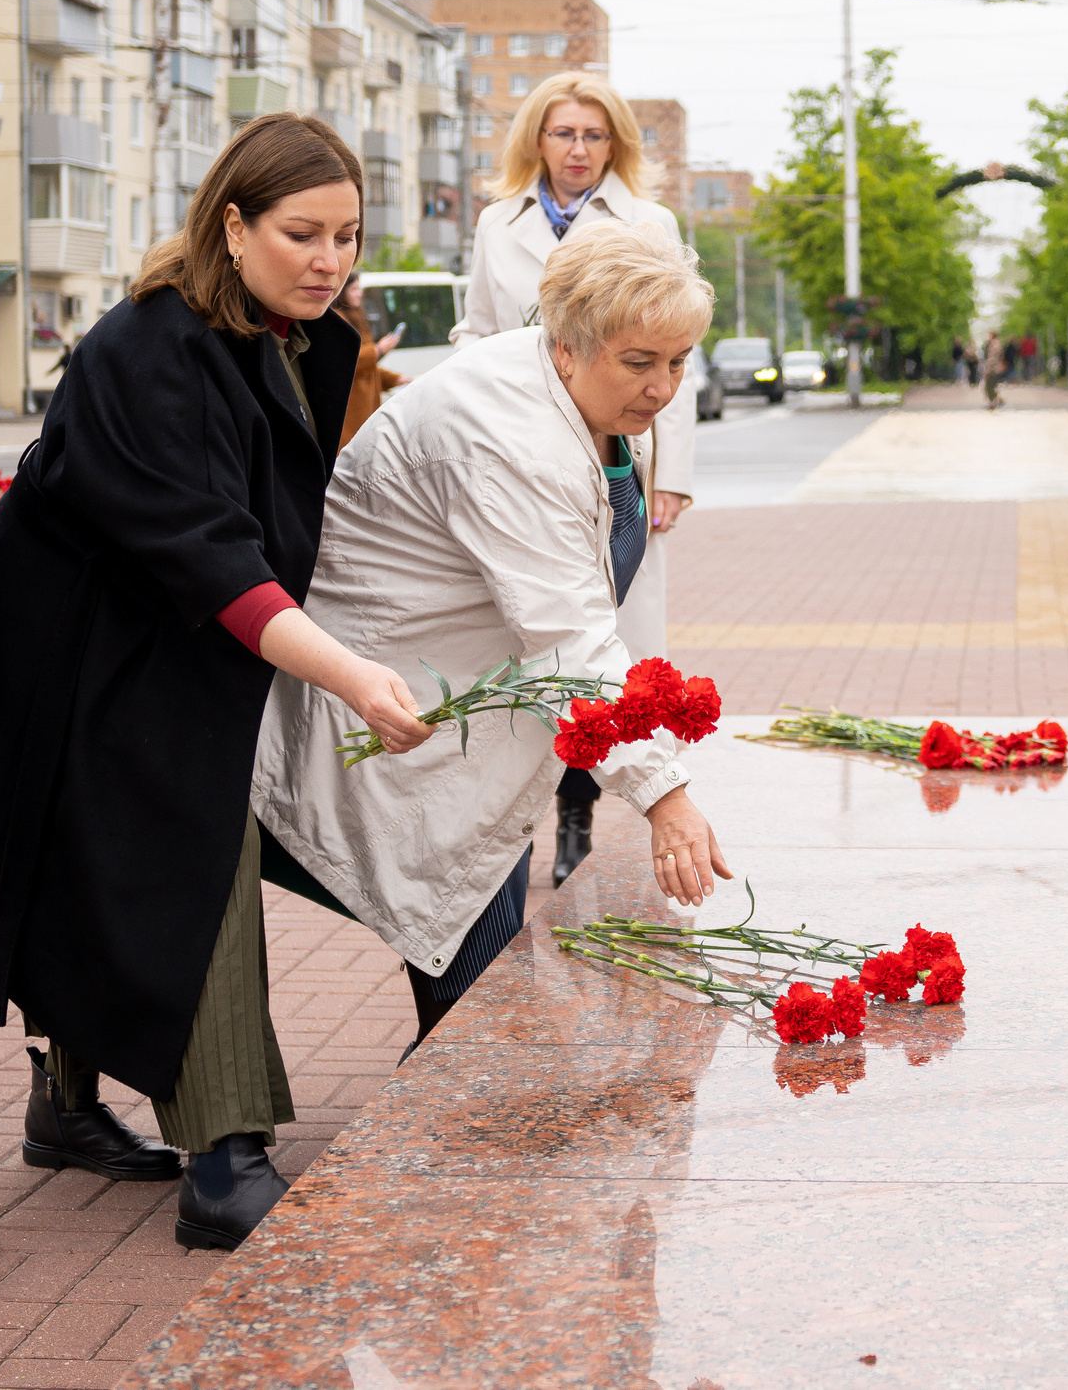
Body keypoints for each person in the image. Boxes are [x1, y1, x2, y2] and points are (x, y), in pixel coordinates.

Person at [0, 113, 436, 1257]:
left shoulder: (303, 334)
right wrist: (352, 675)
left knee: (103, 852)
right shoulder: (152, 344)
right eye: (302, 233)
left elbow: (291, 519)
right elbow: (208, 552)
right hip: (69, 634)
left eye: (348, 236)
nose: (330, 260)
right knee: (181, 836)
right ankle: (226, 1155)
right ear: (232, 224)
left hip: (168, 617)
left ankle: (62, 1109)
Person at [253, 217, 735, 1052]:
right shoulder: (507, 437)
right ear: (565, 347)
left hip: (479, 714)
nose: (662, 387)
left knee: (480, 1014)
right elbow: (567, 635)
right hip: (404, 712)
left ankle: (458, 1131)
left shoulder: (588, 396)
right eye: (640, 362)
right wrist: (665, 793)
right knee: (477, 1027)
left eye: (677, 362)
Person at [452, 72, 688, 888]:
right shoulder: (497, 225)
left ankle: (578, 818)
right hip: (521, 449)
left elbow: (672, 344)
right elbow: (477, 332)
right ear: (538, 142)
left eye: (594, 135)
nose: (579, 149)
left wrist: (672, 473)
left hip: (617, 450)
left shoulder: (649, 223)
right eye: (564, 134)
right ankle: (519, 813)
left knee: (599, 641)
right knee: (528, 631)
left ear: (613, 144)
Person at [338, 270, 404, 446]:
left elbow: (370, 369)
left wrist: (397, 379)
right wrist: (379, 349)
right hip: (351, 412)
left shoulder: (357, 316)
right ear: (342, 291)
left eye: (360, 288)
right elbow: (348, 360)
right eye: (353, 289)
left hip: (364, 409)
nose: (359, 293)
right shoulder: (338, 318)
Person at [981, 331, 1006, 411]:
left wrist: (988, 368)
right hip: (994, 368)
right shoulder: (995, 344)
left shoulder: (994, 344)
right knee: (991, 385)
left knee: (988, 385)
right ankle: (998, 399)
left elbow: (993, 358)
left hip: (993, 369)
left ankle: (993, 402)